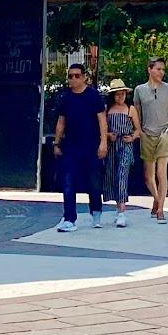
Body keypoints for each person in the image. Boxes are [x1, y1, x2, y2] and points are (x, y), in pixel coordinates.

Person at [48, 62, 108, 232]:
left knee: (94, 182)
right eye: (70, 76)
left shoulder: (93, 96)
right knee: (68, 183)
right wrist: (57, 142)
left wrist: (103, 142)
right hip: (70, 146)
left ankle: (96, 212)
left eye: (76, 76)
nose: (73, 79)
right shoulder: (65, 98)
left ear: (84, 77)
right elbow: (61, 121)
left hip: (91, 146)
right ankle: (69, 218)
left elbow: (102, 120)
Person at [132, 58, 168, 224]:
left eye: (163, 69)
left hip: (164, 133)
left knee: (162, 172)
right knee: (148, 175)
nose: (161, 72)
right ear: (150, 69)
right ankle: (156, 199)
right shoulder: (140, 90)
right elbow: (137, 112)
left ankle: (160, 209)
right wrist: (140, 131)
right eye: (158, 69)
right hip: (147, 133)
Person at [103, 79, 141, 227]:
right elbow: (101, 128)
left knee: (122, 174)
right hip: (112, 145)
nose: (120, 97)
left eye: (123, 94)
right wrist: (107, 135)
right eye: (117, 94)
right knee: (112, 175)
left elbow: (138, 129)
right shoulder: (108, 109)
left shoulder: (130, 109)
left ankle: (122, 211)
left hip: (125, 145)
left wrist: (132, 137)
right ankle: (118, 207)